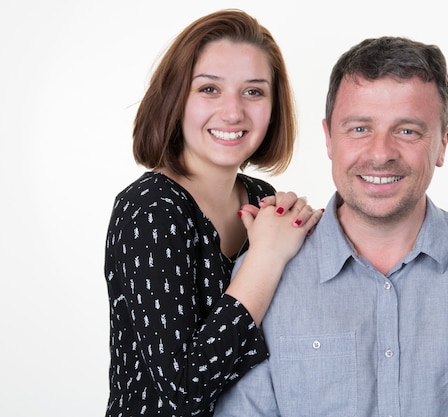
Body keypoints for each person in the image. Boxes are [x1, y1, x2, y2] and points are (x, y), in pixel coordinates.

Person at [214, 36, 448, 416]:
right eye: (360, 129)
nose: (381, 153)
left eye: (408, 130)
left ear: (442, 144)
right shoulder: (265, 270)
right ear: (329, 138)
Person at [103, 9, 323, 417]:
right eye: (209, 89)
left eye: (254, 92)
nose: (233, 112)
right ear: (175, 99)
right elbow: (184, 391)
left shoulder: (261, 198)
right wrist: (267, 258)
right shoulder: (150, 208)